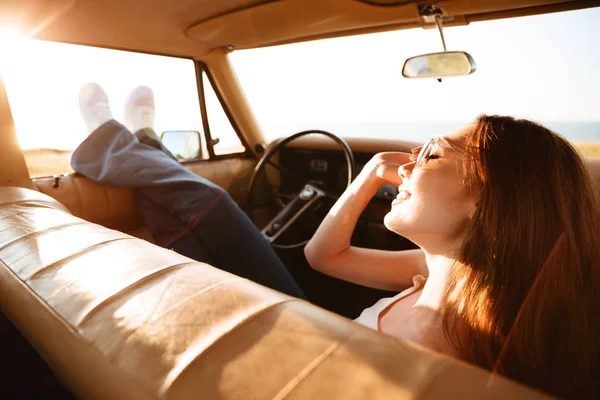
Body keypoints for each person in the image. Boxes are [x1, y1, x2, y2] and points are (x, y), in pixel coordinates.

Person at [76, 83, 599, 398]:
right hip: (306, 326)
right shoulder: (435, 268)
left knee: (202, 203)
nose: (410, 161)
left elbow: (320, 263)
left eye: (434, 154)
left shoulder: (456, 364)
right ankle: (138, 141)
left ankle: (125, 139)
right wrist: (369, 175)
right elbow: (321, 256)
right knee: (200, 207)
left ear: (490, 203)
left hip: (295, 341)